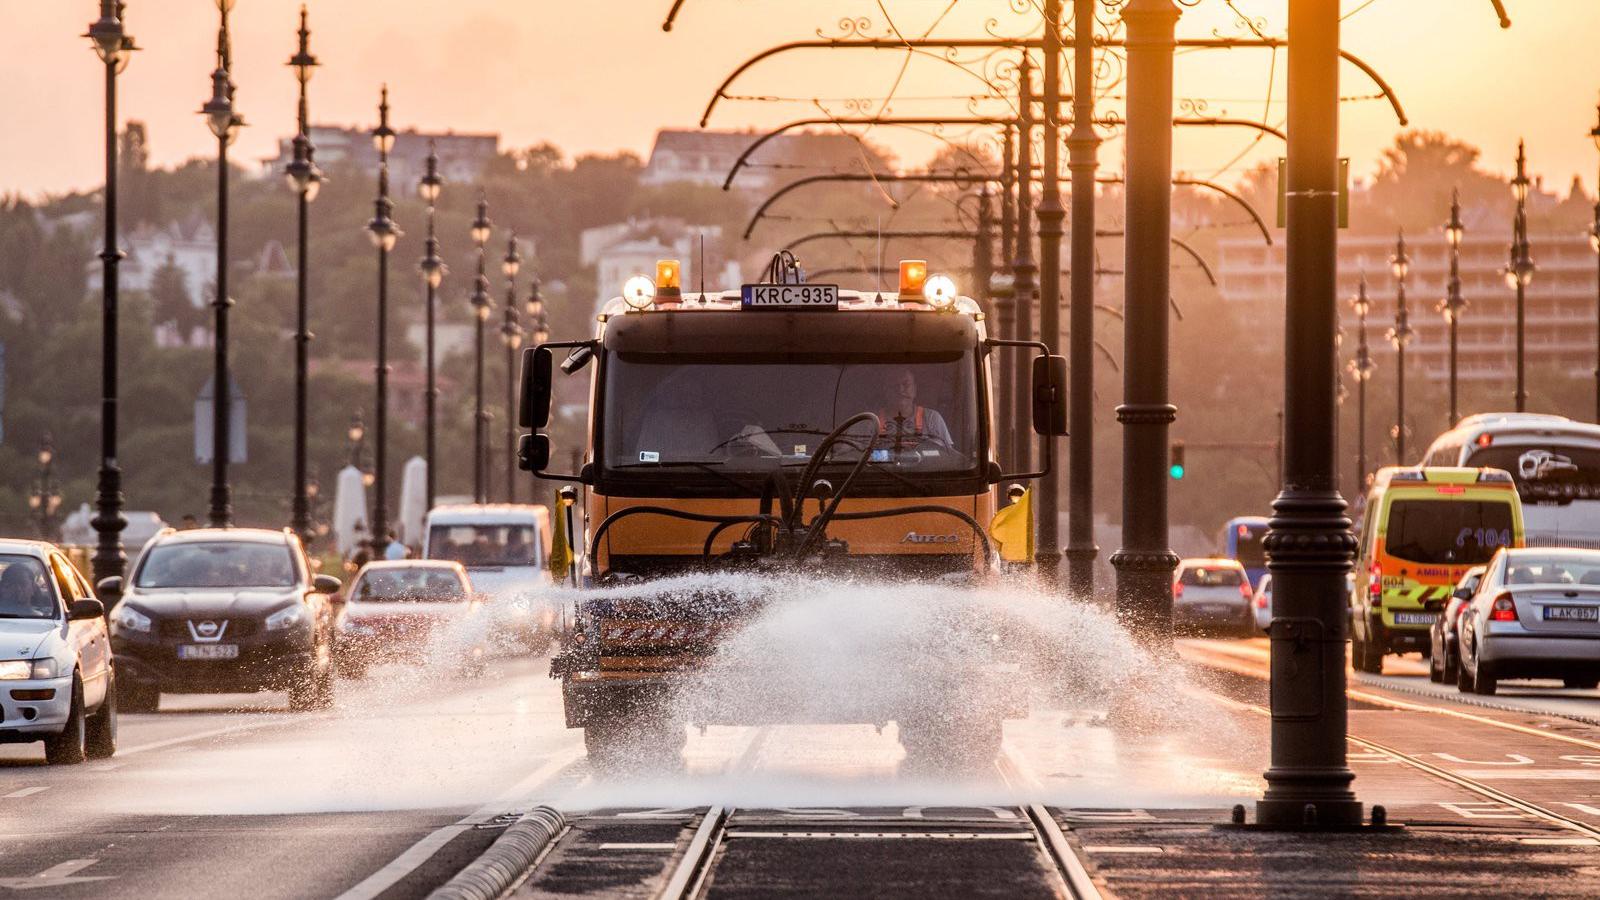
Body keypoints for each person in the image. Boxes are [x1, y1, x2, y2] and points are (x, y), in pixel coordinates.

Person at [877, 367, 955, 449]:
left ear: (915, 389)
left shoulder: (932, 418)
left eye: (906, 384)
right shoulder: (871, 421)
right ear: (885, 390)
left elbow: (948, 455)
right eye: (894, 386)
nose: (900, 390)